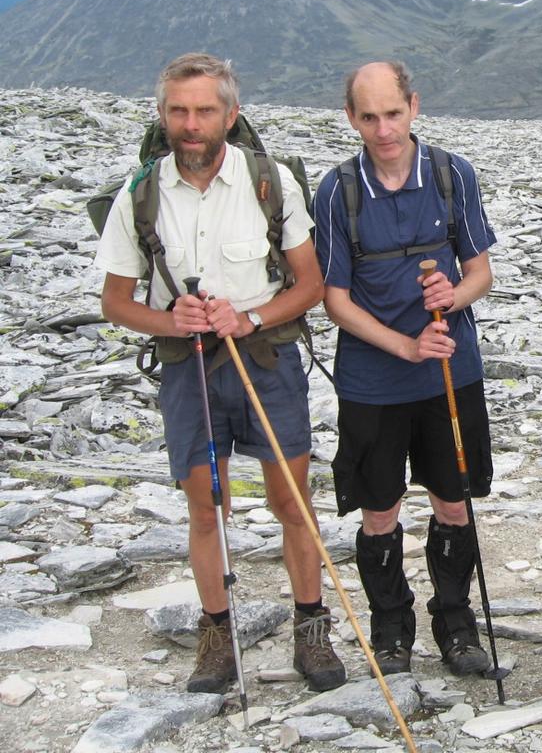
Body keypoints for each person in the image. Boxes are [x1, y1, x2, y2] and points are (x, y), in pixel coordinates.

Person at [97, 53, 346, 694]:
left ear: (230, 116)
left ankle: (311, 630)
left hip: (266, 361)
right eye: (179, 110)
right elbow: (117, 302)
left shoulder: (270, 183)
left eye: (205, 110)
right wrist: (172, 319)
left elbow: (311, 284)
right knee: (207, 510)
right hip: (188, 370)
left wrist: (251, 317)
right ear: (163, 116)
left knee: (292, 500)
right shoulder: (140, 194)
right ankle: (215, 638)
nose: (191, 123)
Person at [312, 60, 497, 678]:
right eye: (369, 117)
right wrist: (404, 346)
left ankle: (456, 622)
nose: (384, 129)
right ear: (351, 118)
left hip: (450, 371)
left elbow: (480, 273)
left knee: (454, 501)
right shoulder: (338, 190)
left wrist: (454, 297)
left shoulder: (452, 175)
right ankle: (391, 628)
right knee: (379, 507)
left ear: (414, 105)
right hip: (374, 379)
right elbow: (334, 298)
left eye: (393, 113)